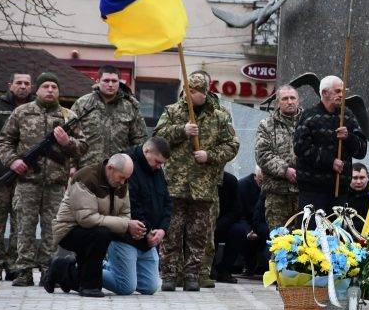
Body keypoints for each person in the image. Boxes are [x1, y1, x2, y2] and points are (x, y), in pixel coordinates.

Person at [0, 72, 87, 286]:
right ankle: (24, 271)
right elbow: (4, 141)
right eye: (45, 86)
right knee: (24, 227)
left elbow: (82, 147)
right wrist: (12, 161)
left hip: (56, 183)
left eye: (54, 87)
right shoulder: (22, 112)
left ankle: (48, 270)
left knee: (52, 229)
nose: (50, 90)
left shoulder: (68, 116)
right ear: (37, 90)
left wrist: (67, 143)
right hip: (27, 182)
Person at [153, 73, 239, 292]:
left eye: (195, 91)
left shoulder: (219, 116)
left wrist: (209, 155)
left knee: (198, 232)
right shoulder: (173, 111)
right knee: (172, 231)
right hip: (176, 183)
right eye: (187, 90)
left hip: (203, 185)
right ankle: (170, 274)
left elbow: (232, 145)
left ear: (205, 93)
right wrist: (181, 131)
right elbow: (158, 137)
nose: (189, 95)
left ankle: (193, 274)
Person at [43, 153, 137, 297]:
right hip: (69, 231)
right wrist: (125, 224)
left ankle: (61, 269)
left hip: (94, 230)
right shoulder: (85, 178)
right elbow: (86, 218)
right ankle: (90, 287)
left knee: (102, 234)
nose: (123, 183)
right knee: (102, 234)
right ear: (110, 168)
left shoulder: (120, 184)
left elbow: (125, 214)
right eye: (122, 177)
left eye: (126, 179)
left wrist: (127, 224)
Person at [101, 137, 171, 295]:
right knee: (126, 287)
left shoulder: (156, 171)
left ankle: (111, 267)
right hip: (126, 236)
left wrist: (162, 230)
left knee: (150, 287)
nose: (160, 167)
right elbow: (131, 206)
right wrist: (149, 231)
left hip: (148, 239)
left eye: (162, 164)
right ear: (146, 151)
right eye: (157, 162)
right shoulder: (128, 166)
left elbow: (167, 202)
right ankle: (80, 269)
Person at [293, 75, 367, 211]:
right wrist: (330, 161)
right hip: (313, 190)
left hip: (340, 190)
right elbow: (301, 148)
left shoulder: (347, 116)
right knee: (313, 231)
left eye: (343, 91)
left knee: (337, 230)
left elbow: (362, 150)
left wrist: (348, 137)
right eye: (338, 91)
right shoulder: (309, 116)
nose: (342, 95)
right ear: (324, 93)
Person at [0, 72, 32, 279]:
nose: (23, 86)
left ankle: (14, 264)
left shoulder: (36, 108)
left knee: (21, 222)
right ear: (10, 85)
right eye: (19, 82)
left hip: (27, 177)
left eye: (27, 83)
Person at [72, 65, 147, 168]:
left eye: (114, 81)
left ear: (119, 82)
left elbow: (139, 139)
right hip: (87, 168)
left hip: (118, 169)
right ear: (98, 81)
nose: (110, 84)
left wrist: (133, 165)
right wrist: (72, 165)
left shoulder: (130, 107)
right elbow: (71, 136)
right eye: (106, 81)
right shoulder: (83, 104)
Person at [254, 84, 301, 232]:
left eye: (293, 98)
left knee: (306, 241)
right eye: (285, 98)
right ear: (278, 102)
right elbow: (262, 154)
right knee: (280, 241)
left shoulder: (309, 121)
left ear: (298, 100)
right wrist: (285, 170)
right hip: (277, 193)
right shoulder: (266, 125)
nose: (289, 102)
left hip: (304, 191)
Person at [346, 163, 369, 230]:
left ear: (367, 177)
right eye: (355, 178)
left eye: (362, 178)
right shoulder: (341, 191)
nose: (358, 182)